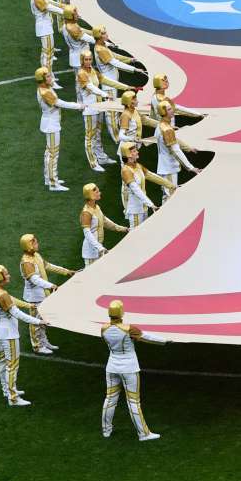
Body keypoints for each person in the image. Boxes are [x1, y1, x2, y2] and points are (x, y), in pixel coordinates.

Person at [101, 300, 164, 441]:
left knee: (110, 398)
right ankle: (143, 434)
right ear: (121, 313)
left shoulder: (104, 328)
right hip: (129, 368)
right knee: (133, 401)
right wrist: (165, 340)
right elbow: (148, 337)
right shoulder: (128, 329)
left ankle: (106, 430)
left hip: (111, 366)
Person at [0, 264, 44, 406]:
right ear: (0, 277)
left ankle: (7, 390)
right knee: (12, 365)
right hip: (9, 335)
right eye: (6, 274)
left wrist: (29, 305)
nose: (9, 275)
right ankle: (12, 397)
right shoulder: (2, 295)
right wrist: (38, 321)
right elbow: (17, 313)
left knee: (4, 363)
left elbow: (12, 300)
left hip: (2, 332)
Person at [19, 233, 74, 355]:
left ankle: (44, 341)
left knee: (43, 320)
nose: (37, 244)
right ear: (28, 246)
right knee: (35, 322)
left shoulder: (36, 255)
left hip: (43, 294)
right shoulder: (26, 262)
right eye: (34, 242)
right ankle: (37, 346)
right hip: (34, 297)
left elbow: (48, 266)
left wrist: (66, 272)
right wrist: (51, 285)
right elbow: (34, 279)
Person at [76, 50, 127, 172]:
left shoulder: (93, 71)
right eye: (86, 59)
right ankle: (93, 163)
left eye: (90, 59)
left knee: (98, 133)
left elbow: (105, 80)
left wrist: (125, 87)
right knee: (90, 136)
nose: (88, 61)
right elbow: (91, 88)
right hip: (89, 109)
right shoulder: (81, 73)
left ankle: (101, 157)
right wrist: (105, 94)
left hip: (99, 106)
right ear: (82, 60)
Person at [93, 24, 144, 145]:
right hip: (110, 85)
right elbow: (115, 62)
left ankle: (118, 135)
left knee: (114, 112)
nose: (107, 34)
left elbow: (114, 56)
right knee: (111, 113)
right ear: (100, 36)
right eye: (104, 33)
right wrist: (134, 69)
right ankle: (117, 138)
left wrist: (130, 59)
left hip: (112, 83)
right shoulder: (100, 49)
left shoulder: (102, 46)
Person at [35, 66, 81, 192]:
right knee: (53, 154)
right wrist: (78, 105)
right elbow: (60, 103)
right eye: (48, 76)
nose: (51, 78)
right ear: (43, 79)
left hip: (50, 123)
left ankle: (48, 178)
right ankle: (53, 182)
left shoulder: (45, 88)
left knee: (49, 153)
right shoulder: (45, 92)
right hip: (51, 125)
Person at [155, 100, 201, 203]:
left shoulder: (160, 125)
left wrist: (188, 148)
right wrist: (190, 167)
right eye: (169, 109)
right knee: (169, 198)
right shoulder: (167, 129)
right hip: (169, 168)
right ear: (164, 113)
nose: (172, 110)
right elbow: (176, 150)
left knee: (167, 195)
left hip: (164, 166)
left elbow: (174, 140)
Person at [120, 142, 173, 228]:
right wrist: (151, 204)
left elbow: (151, 176)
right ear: (128, 155)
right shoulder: (126, 171)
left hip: (144, 207)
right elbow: (136, 190)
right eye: (134, 151)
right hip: (135, 211)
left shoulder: (137, 166)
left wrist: (171, 185)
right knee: (136, 237)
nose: (137, 152)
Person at [80, 183, 129, 266]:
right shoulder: (86, 213)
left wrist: (124, 229)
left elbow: (105, 221)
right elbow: (87, 234)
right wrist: (100, 248)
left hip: (99, 248)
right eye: (97, 192)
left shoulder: (96, 207)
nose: (100, 193)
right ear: (91, 195)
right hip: (91, 252)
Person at [29, 0, 65, 72]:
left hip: (43, 27)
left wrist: (62, 6)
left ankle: (48, 76)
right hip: (45, 28)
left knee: (45, 54)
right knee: (48, 55)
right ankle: (49, 79)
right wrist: (65, 12)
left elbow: (48, 2)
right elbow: (49, 7)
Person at [60, 5, 95, 73]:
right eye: (75, 14)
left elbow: (81, 30)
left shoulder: (67, 25)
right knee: (85, 81)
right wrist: (106, 43)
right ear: (70, 16)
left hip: (76, 57)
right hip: (81, 58)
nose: (77, 15)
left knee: (81, 81)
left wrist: (92, 32)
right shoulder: (72, 29)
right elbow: (89, 39)